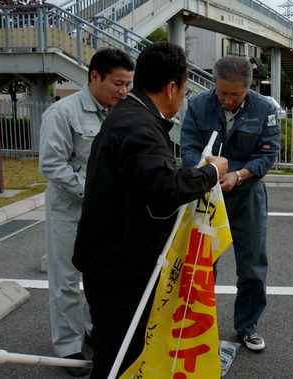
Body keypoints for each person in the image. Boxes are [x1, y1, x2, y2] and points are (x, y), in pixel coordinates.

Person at [72, 41, 228, 378]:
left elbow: (148, 181)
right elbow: (164, 188)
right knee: (119, 359)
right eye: (185, 91)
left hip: (112, 257)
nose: (183, 99)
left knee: (119, 350)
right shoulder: (140, 126)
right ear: (171, 87)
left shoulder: (130, 115)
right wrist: (212, 172)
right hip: (120, 267)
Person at [38, 47, 135, 377]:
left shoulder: (119, 113)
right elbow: (52, 165)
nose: (123, 91)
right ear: (95, 77)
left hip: (104, 211)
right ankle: (66, 346)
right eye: (118, 83)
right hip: (69, 208)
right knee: (65, 279)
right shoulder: (61, 113)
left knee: (101, 274)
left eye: (128, 84)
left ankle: (96, 330)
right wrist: (96, 191)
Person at [180, 55, 280, 352]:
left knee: (251, 266)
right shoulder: (198, 105)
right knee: (203, 263)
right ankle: (200, 325)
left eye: (235, 94)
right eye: (222, 93)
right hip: (207, 195)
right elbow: (188, 148)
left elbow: (267, 154)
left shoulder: (265, 109)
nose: (227, 100)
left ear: (249, 87)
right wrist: (207, 171)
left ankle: (247, 326)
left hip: (247, 195)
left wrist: (237, 175)